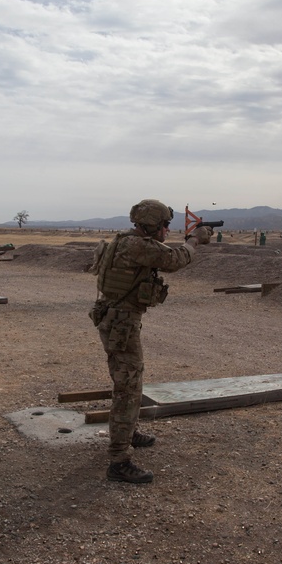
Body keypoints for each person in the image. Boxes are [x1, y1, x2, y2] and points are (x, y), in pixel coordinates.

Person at [89, 199, 212, 484]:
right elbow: (175, 259)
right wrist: (195, 240)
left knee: (128, 381)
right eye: (164, 225)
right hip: (121, 323)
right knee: (128, 387)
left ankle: (129, 433)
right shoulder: (137, 246)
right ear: (151, 225)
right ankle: (119, 460)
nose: (167, 229)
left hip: (117, 319)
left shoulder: (127, 241)